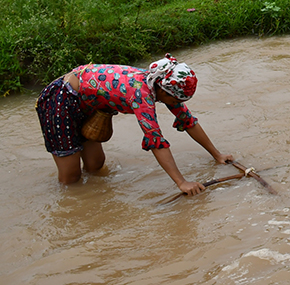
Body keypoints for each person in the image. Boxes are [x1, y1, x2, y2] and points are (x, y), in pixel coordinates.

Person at [36, 54, 232, 195]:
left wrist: (217, 155)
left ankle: (93, 200)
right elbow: (155, 140)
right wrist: (181, 182)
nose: (176, 104)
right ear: (162, 89)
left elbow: (188, 122)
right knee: (71, 179)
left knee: (96, 166)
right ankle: (70, 211)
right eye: (174, 99)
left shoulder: (162, 86)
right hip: (61, 101)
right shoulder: (141, 94)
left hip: (89, 106)